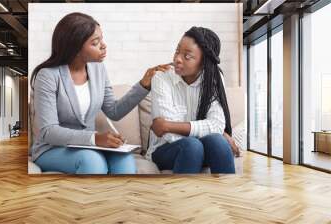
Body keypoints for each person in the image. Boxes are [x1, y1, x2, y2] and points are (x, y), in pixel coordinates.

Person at [30, 12, 169, 174]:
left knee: (124, 159)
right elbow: (48, 131)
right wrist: (94, 138)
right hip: (52, 148)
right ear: (75, 47)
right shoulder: (48, 76)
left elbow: (114, 111)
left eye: (101, 39)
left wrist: (144, 84)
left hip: (88, 146)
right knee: (93, 161)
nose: (103, 45)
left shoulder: (98, 69)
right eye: (95, 43)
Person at [147, 26, 237, 174]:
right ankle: (183, 197)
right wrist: (208, 129)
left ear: (203, 63)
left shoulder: (213, 78)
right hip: (165, 150)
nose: (177, 59)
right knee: (192, 146)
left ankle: (226, 195)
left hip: (198, 146)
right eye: (177, 51)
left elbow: (217, 124)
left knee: (218, 143)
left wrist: (170, 125)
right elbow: (167, 134)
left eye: (187, 56)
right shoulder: (161, 77)